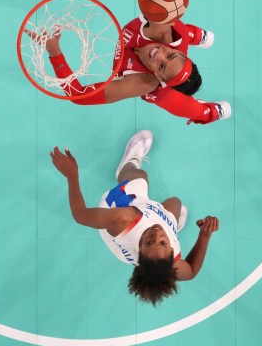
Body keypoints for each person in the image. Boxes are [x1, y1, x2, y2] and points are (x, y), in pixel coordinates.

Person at [50, 130, 219, 306]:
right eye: (163, 242)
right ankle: (174, 227)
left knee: (140, 178)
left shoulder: (123, 218)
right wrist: (204, 236)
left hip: (119, 205)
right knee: (175, 203)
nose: (156, 233)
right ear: (171, 254)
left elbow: (80, 215)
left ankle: (128, 163)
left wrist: (72, 176)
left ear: (140, 253)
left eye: (149, 242)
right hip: (147, 220)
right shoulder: (167, 262)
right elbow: (191, 271)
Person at [26, 14, 231, 125]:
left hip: (161, 91)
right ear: (179, 51)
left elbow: (78, 96)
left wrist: (54, 52)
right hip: (178, 37)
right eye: (170, 55)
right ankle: (198, 36)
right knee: (182, 30)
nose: (159, 54)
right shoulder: (166, 34)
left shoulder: (141, 83)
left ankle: (211, 112)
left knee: (194, 109)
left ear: (158, 75)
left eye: (161, 65)